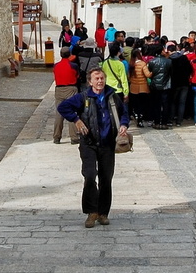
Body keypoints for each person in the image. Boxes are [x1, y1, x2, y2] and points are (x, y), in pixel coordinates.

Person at [57, 67, 129, 228]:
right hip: (89, 143)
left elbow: (124, 113)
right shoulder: (83, 97)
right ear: (90, 82)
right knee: (89, 176)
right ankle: (91, 212)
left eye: (102, 78)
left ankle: (103, 213)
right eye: (96, 79)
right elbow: (63, 107)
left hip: (107, 143)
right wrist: (76, 119)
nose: (100, 81)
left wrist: (123, 124)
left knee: (106, 178)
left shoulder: (112, 97)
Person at [52, 47, 80, 144]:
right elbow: (77, 76)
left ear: (60, 54)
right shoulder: (74, 65)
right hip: (71, 89)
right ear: (69, 54)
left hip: (59, 89)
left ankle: (56, 136)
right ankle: (74, 136)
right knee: (71, 111)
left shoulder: (56, 66)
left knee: (59, 113)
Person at [127, 38, 152, 127]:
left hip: (133, 87)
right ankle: (142, 119)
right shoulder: (142, 63)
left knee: (136, 105)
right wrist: (153, 72)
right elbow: (148, 75)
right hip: (143, 87)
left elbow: (129, 77)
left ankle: (138, 119)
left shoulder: (131, 64)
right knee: (143, 104)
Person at [147, 43, 172, 129]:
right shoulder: (169, 61)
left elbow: (150, 72)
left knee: (156, 104)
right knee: (165, 104)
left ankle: (157, 122)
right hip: (166, 85)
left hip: (155, 85)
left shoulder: (152, 61)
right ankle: (164, 122)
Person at [169, 41, 193, 126]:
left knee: (173, 102)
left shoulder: (170, 60)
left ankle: (171, 119)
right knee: (182, 102)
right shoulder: (184, 58)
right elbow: (190, 69)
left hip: (174, 83)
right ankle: (179, 121)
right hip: (184, 83)